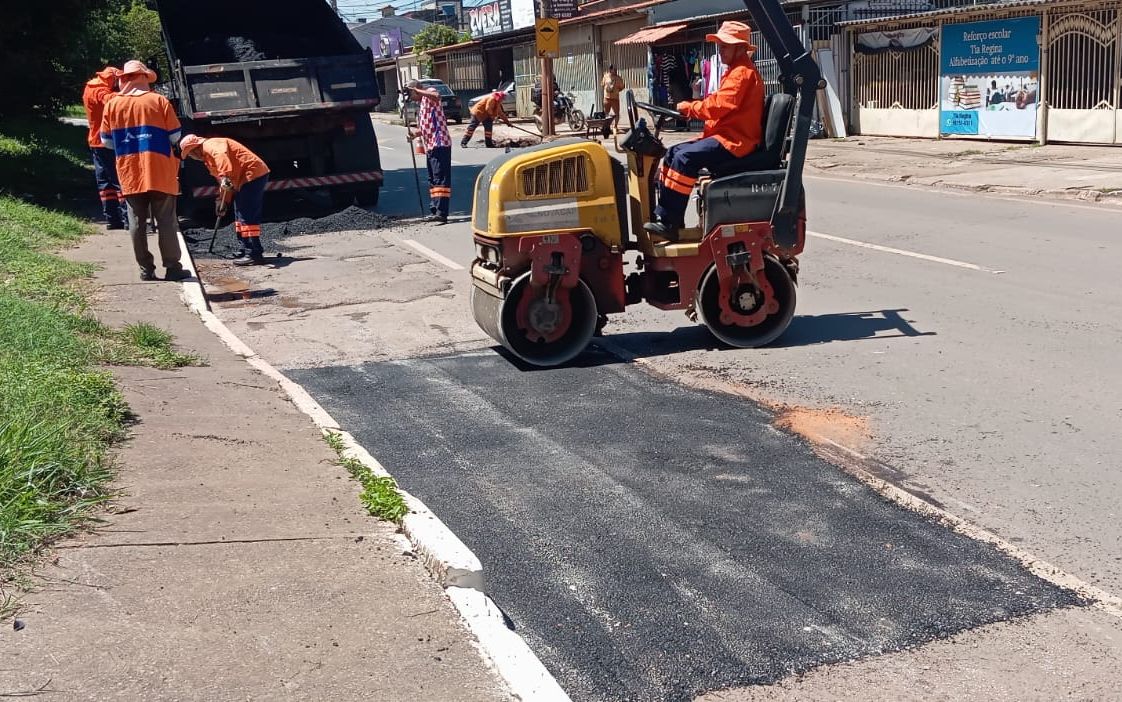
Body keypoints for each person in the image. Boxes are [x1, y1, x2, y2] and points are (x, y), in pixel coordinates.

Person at [644, 21, 765, 241]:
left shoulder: (742, 74)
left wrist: (689, 108)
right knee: (671, 153)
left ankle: (669, 221)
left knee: (684, 158)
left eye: (725, 46)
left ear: (740, 47)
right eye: (719, 45)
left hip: (734, 141)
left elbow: (718, 106)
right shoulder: (734, 72)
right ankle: (668, 218)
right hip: (723, 135)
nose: (720, 50)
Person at [100, 60, 188, 281]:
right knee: (166, 220)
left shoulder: (112, 104)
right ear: (143, 78)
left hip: (130, 171)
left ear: (123, 80)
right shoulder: (158, 101)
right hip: (159, 169)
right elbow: (175, 136)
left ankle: (146, 270)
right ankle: (173, 268)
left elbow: (106, 141)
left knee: (136, 222)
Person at [179, 134, 271, 265]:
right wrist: (223, 202)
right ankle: (244, 248)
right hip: (244, 178)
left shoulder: (211, 145)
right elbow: (225, 184)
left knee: (246, 215)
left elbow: (222, 159)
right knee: (239, 214)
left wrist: (224, 176)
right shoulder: (208, 159)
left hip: (252, 175)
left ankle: (254, 253)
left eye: (190, 154)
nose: (191, 158)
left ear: (194, 149)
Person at [82, 66, 125, 230]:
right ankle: (127, 219)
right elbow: (111, 101)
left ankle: (112, 220)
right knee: (119, 181)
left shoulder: (91, 87)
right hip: (107, 142)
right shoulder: (99, 90)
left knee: (105, 183)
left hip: (96, 142)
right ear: (112, 78)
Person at [404, 79, 452, 224]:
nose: (411, 98)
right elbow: (425, 128)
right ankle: (435, 209)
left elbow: (437, 96)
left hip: (440, 143)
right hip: (430, 146)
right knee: (432, 179)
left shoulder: (429, 94)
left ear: (415, 89)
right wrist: (414, 134)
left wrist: (417, 90)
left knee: (440, 178)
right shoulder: (422, 105)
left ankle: (442, 212)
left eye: (411, 94)